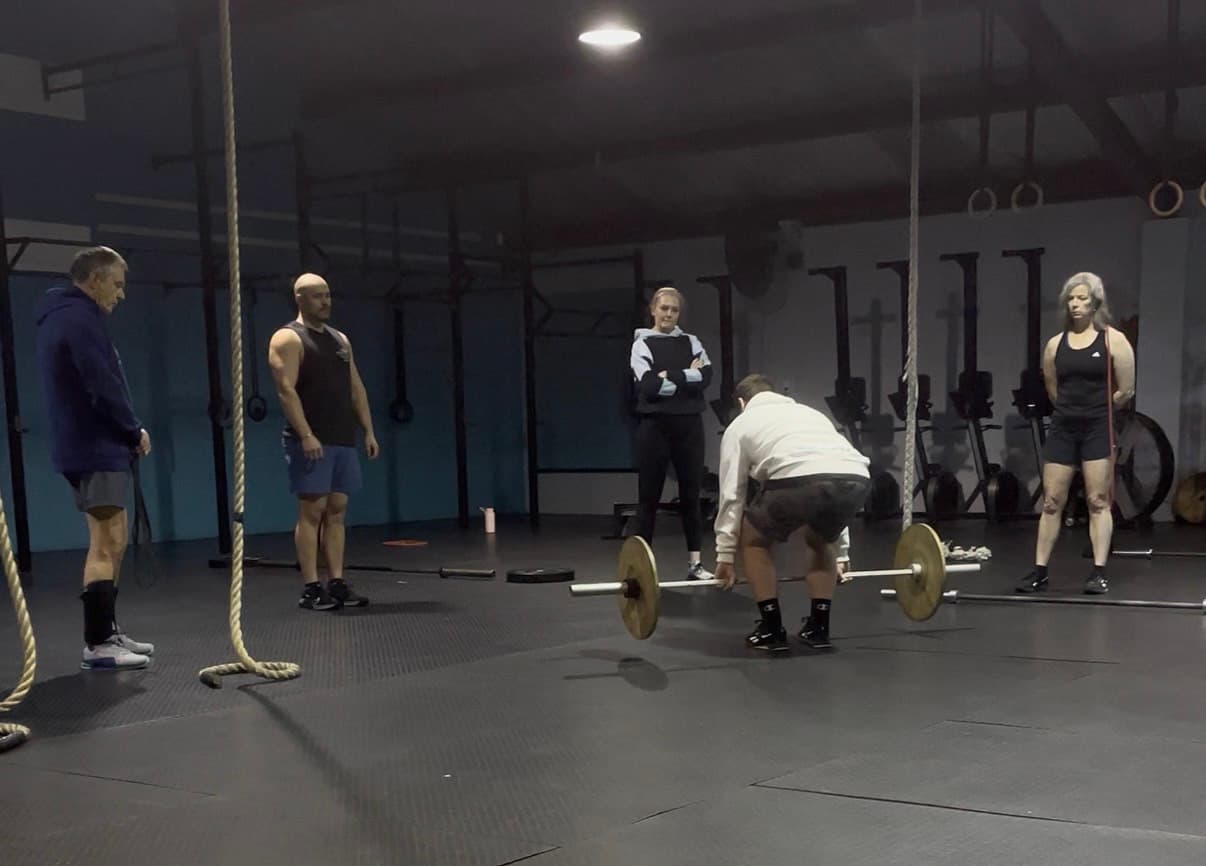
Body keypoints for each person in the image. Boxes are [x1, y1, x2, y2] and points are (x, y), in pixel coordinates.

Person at [34, 246, 154, 670]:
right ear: (95, 279)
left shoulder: (64, 317)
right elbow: (101, 384)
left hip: (88, 444)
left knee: (111, 538)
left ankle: (107, 631)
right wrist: (131, 428)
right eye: (117, 284)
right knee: (108, 540)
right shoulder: (79, 320)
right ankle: (99, 643)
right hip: (95, 444)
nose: (121, 294)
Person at [714, 374, 870, 652]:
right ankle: (819, 629)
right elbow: (831, 467)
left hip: (799, 480)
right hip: (856, 477)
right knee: (821, 538)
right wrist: (842, 554)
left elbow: (732, 493)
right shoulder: (811, 414)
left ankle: (771, 629)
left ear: (741, 402)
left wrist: (725, 554)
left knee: (753, 540)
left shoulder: (740, 424)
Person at [1016, 272, 1134, 595]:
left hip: (1098, 425)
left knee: (1097, 500)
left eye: (1082, 298)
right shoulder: (1055, 345)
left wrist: (1096, 408)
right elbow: (1053, 389)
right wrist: (1073, 410)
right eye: (1071, 299)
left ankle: (1098, 572)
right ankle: (1039, 571)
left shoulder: (1114, 340)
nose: (1075, 305)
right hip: (1064, 426)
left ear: (1096, 302)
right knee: (1052, 500)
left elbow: (1126, 390)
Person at [268, 273, 380, 611]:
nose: (326, 302)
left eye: (328, 295)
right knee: (311, 511)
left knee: (337, 511)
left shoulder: (340, 340)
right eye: (318, 296)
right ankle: (311, 587)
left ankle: (336, 582)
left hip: (341, 437)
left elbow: (355, 387)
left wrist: (368, 431)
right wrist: (305, 434)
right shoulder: (288, 338)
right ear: (300, 299)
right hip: (311, 440)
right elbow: (286, 391)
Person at [629, 286, 714, 582]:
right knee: (648, 498)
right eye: (664, 308)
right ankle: (641, 569)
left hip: (689, 426)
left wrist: (670, 375)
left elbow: (705, 377)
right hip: (655, 427)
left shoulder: (691, 342)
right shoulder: (642, 343)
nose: (668, 314)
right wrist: (685, 378)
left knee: (691, 496)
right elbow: (649, 387)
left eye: (674, 310)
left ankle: (695, 565)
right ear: (653, 309)